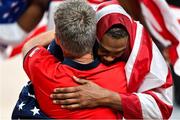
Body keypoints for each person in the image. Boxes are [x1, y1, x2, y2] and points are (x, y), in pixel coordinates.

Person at [51, 1, 173, 119]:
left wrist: (106, 97)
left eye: (119, 52)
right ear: (94, 37)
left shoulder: (144, 51)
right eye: (104, 50)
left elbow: (163, 107)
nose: (109, 58)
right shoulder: (85, 29)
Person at [20, 0, 128, 119]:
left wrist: (63, 32)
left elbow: (28, 46)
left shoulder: (41, 69)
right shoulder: (123, 73)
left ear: (58, 40)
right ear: (95, 35)